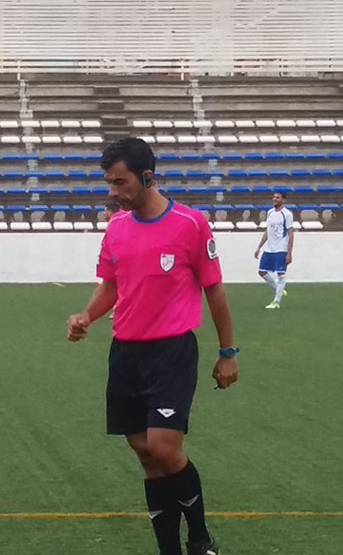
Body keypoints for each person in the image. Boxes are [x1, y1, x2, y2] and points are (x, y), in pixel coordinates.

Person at [66, 138, 238, 555]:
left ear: (147, 177)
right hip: (126, 352)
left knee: (164, 447)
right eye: (109, 182)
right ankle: (169, 549)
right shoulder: (116, 228)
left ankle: (198, 537)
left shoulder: (190, 224)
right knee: (146, 455)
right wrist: (86, 316)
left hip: (172, 351)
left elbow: (214, 291)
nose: (113, 192)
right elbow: (110, 285)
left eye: (120, 182)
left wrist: (228, 353)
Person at [254, 192, 294, 310]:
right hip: (269, 249)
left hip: (281, 249)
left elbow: (291, 234)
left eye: (278, 197)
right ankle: (279, 289)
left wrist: (289, 252)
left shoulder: (286, 214)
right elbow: (268, 231)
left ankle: (276, 301)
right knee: (262, 272)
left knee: (281, 274)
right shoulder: (270, 212)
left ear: (283, 200)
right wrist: (259, 247)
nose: (275, 199)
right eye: (274, 197)